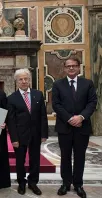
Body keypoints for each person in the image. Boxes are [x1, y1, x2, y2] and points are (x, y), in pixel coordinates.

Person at [52, 58, 97, 198]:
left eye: (74, 66)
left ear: (79, 68)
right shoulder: (57, 84)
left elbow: (92, 102)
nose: (71, 68)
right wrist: (70, 119)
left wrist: (81, 117)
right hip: (64, 126)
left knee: (80, 156)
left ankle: (78, 184)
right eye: (68, 66)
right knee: (65, 156)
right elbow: (56, 104)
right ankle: (66, 183)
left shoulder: (88, 83)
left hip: (82, 126)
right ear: (64, 69)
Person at [7, 69, 48, 195]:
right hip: (20, 135)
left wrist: (44, 134)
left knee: (35, 159)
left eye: (26, 79)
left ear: (29, 80)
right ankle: (21, 183)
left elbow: (43, 116)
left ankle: (33, 182)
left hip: (36, 134)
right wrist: (14, 138)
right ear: (17, 82)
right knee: (20, 160)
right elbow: (11, 120)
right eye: (21, 79)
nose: (24, 81)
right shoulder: (12, 98)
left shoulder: (38, 94)